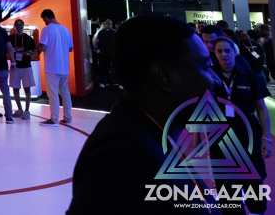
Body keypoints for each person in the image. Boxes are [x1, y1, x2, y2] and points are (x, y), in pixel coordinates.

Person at [67, 14, 216, 213]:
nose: (215, 81)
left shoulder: (148, 133)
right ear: (163, 76)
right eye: (205, 67)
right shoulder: (120, 157)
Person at [211, 36, 271, 214]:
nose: (224, 54)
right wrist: (198, 136)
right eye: (219, 51)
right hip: (219, 135)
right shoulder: (209, 77)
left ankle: (256, 210)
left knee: (252, 177)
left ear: (235, 52)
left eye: (227, 51)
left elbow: (261, 108)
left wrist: (266, 138)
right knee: (225, 181)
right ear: (215, 54)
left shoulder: (249, 75)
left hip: (248, 133)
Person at [37, 8, 74, 126]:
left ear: (46, 18)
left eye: (44, 19)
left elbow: (42, 47)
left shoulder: (47, 29)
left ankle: (54, 119)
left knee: (53, 94)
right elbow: (70, 48)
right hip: (64, 67)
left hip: (52, 67)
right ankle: (68, 118)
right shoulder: (66, 30)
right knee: (65, 93)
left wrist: (37, 46)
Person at [9, 19, 37, 120]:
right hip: (15, 66)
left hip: (26, 67)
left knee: (27, 89)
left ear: (23, 27)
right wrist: (14, 50)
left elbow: (34, 53)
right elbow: (6, 51)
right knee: (15, 89)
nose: (19, 28)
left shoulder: (28, 39)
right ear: (14, 27)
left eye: (21, 27)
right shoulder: (10, 38)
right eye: (17, 27)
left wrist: (27, 53)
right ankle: (20, 109)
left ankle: (27, 111)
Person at [94, 19, 117, 86]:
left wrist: (98, 49)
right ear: (111, 24)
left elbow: (97, 42)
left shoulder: (101, 32)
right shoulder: (115, 32)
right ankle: (120, 84)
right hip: (112, 53)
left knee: (102, 67)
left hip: (103, 53)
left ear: (105, 24)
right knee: (115, 67)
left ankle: (102, 83)